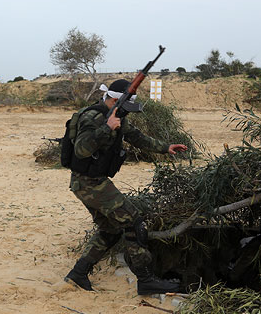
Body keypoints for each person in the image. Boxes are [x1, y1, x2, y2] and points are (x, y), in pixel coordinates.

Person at [64, 79, 188, 295]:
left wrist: (165, 147)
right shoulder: (93, 117)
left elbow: (136, 137)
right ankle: (146, 279)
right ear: (112, 100)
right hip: (89, 183)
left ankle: (78, 273)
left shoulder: (116, 114)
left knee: (111, 229)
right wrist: (106, 128)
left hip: (92, 182)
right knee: (133, 222)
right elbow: (82, 150)